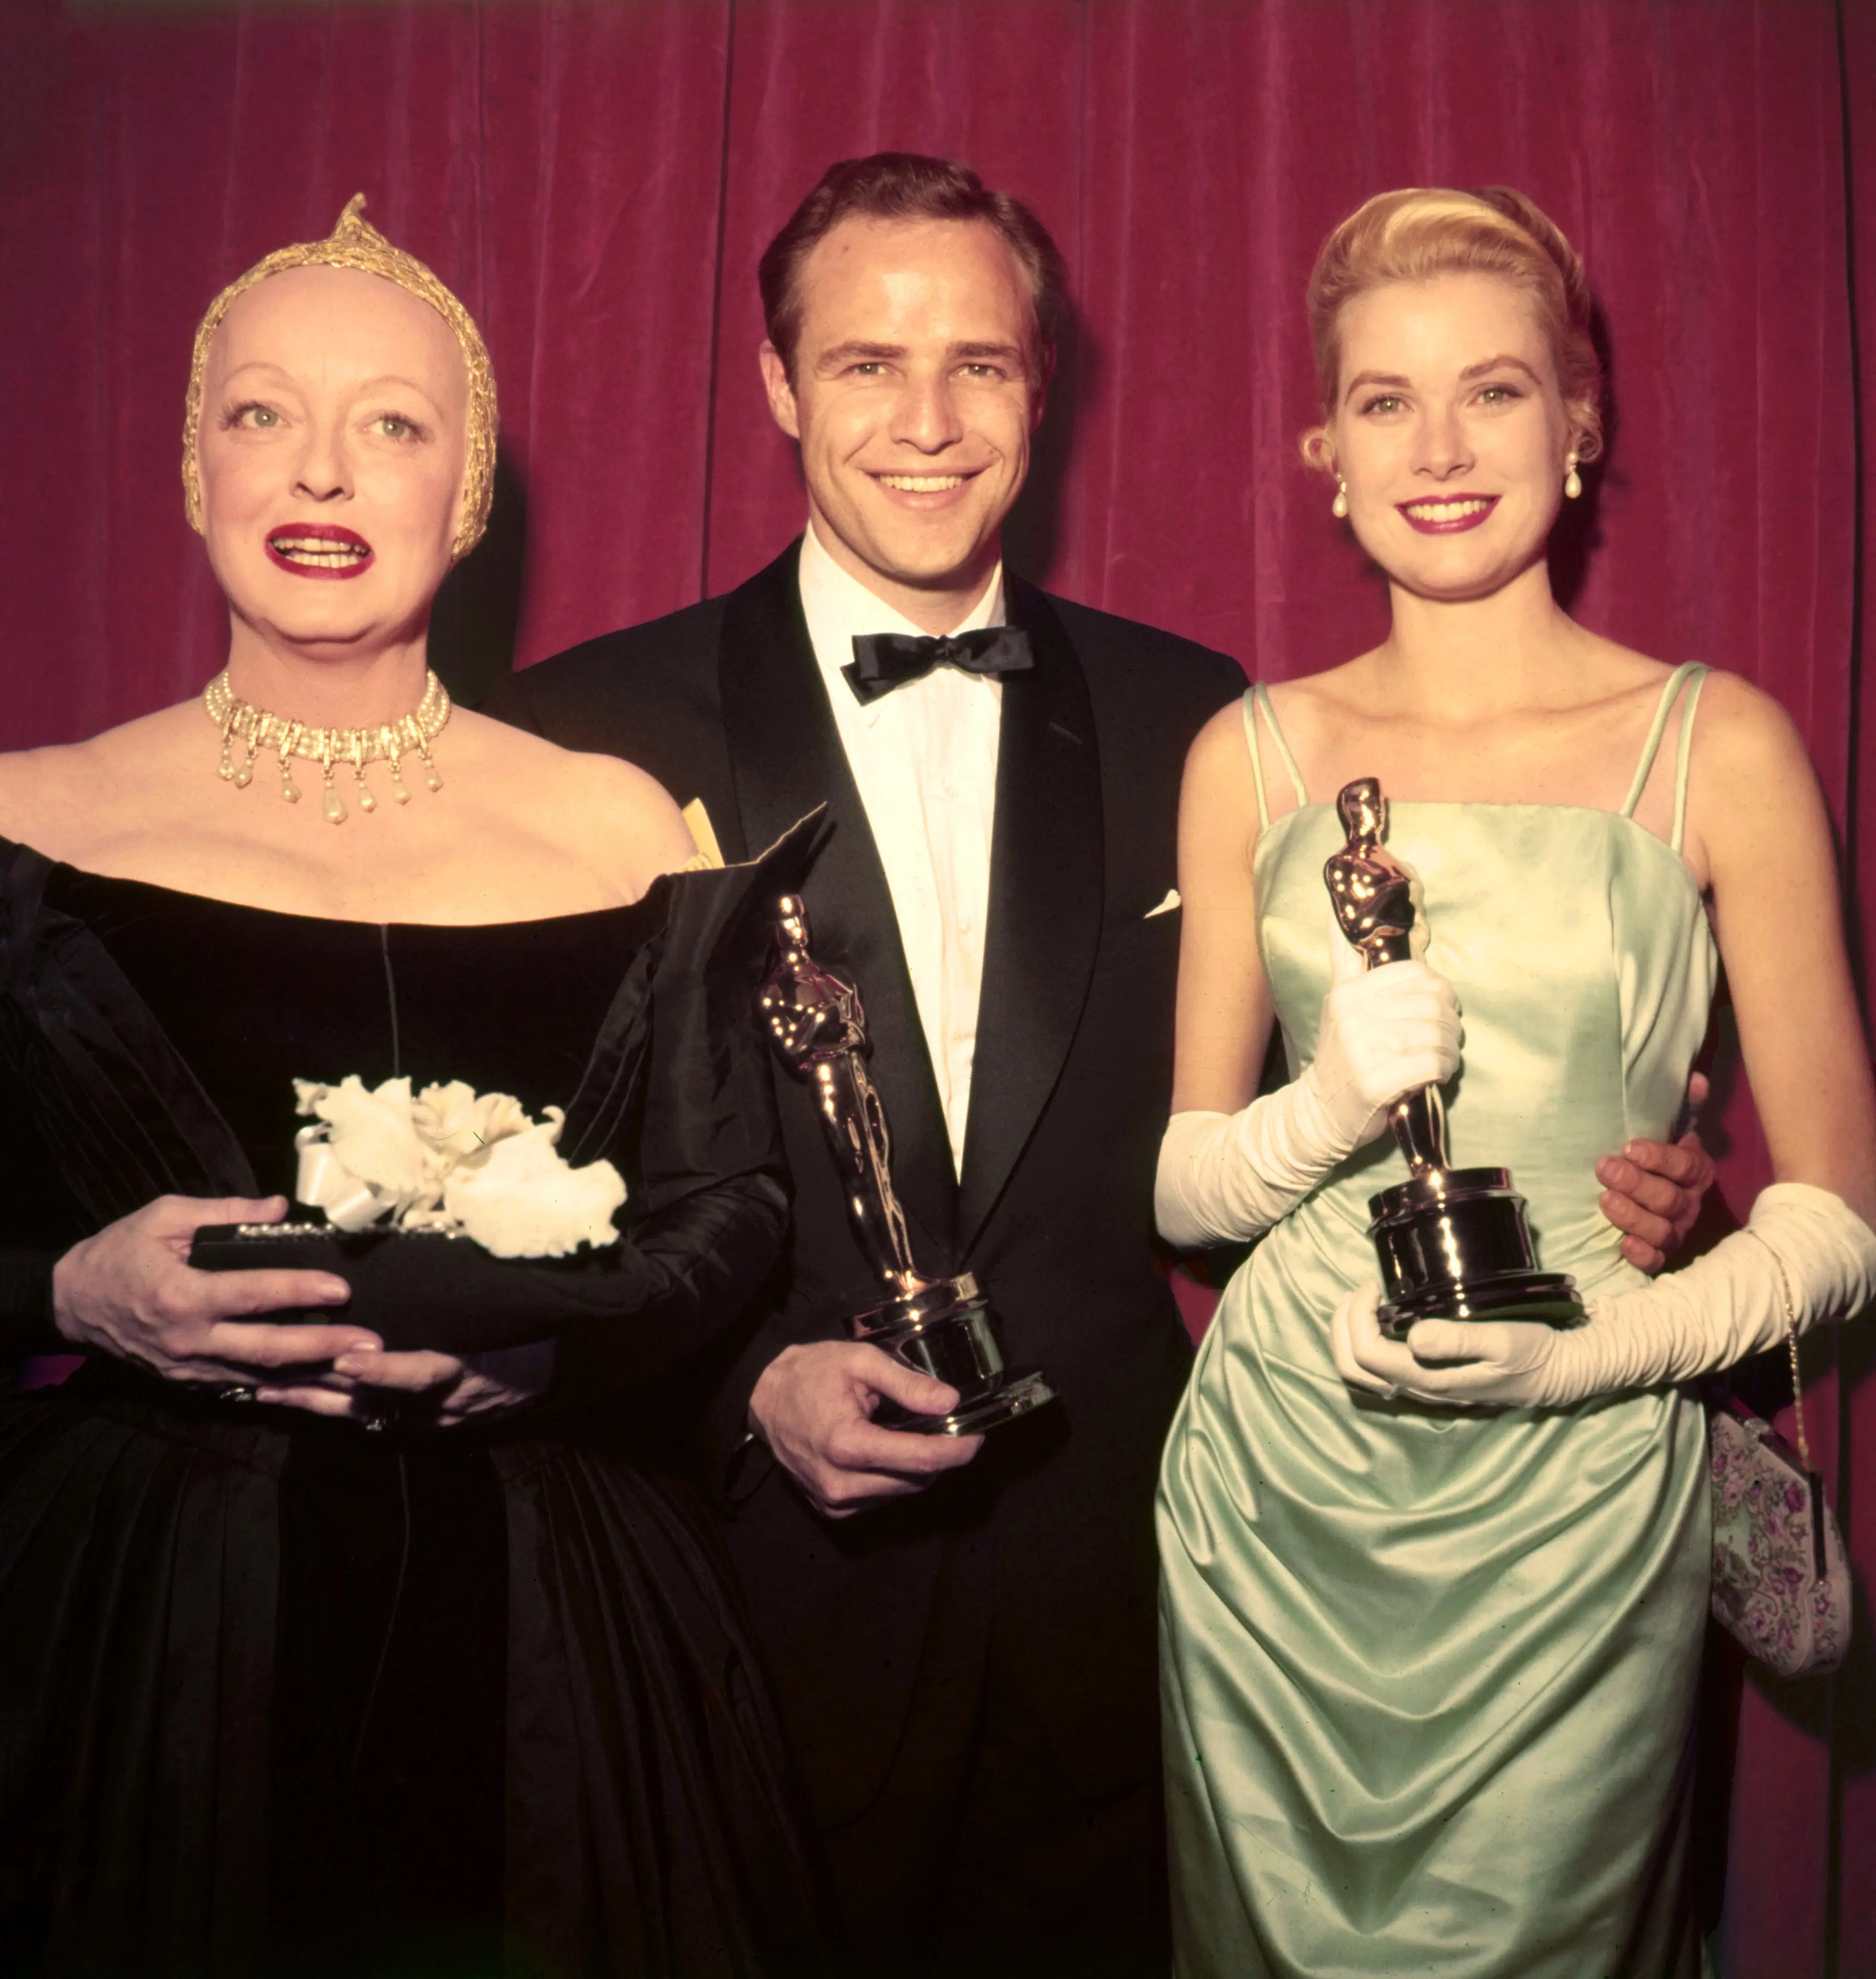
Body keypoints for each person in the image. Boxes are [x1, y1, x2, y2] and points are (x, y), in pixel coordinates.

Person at [484, 155, 1712, 1978]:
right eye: (865, 365)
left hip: (1133, 1600)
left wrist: (1623, 1169)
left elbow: (1344, 1121)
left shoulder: (1192, 715)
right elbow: (523, 1205)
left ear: (1042, 390)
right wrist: (743, 1388)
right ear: (772, 385)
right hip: (744, 1609)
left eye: (978, 363)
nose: (927, 420)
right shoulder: (583, 733)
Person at [0, 198, 824, 1978]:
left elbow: (729, 1202)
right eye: (261, 413)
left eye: (391, 423)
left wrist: (564, 1339)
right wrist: (73, 1288)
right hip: (156, 1613)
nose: (321, 467)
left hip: (554, 1601)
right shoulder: (28, 819)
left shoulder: (617, 820)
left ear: (462, 494)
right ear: (191, 467)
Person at [1154, 186, 1876, 1978]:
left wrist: (1594, 1355)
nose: (1442, 447)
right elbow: (1178, 1183)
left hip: (1581, 1484)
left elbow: (1847, 1217)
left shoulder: (1719, 742)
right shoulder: (1249, 751)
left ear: (1583, 421)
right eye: (1386, 401)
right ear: (1323, 451)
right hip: (1279, 1496)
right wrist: (1317, 1111)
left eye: (1495, 389)